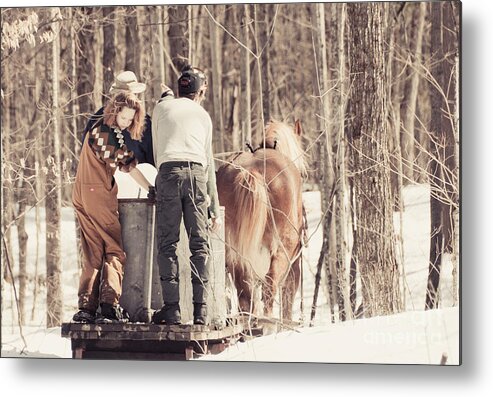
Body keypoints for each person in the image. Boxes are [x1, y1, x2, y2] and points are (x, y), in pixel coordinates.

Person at [72, 91, 155, 324]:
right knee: (114, 250)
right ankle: (109, 304)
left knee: (92, 251)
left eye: (131, 119)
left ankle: (86, 307)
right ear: (114, 111)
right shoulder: (109, 134)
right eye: (124, 117)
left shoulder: (94, 129)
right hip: (97, 193)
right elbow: (128, 165)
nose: (127, 123)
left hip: (81, 192)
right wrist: (150, 188)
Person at [151, 65, 221, 326]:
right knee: (199, 244)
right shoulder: (203, 116)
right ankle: (200, 311)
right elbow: (208, 163)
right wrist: (213, 205)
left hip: (168, 172)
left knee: (167, 244)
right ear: (199, 91)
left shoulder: (161, 108)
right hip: (197, 175)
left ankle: (172, 310)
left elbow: (158, 151)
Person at [83, 71, 155, 167]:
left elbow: (151, 154)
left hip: (138, 174)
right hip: (107, 176)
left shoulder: (145, 122)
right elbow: (87, 150)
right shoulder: (100, 119)